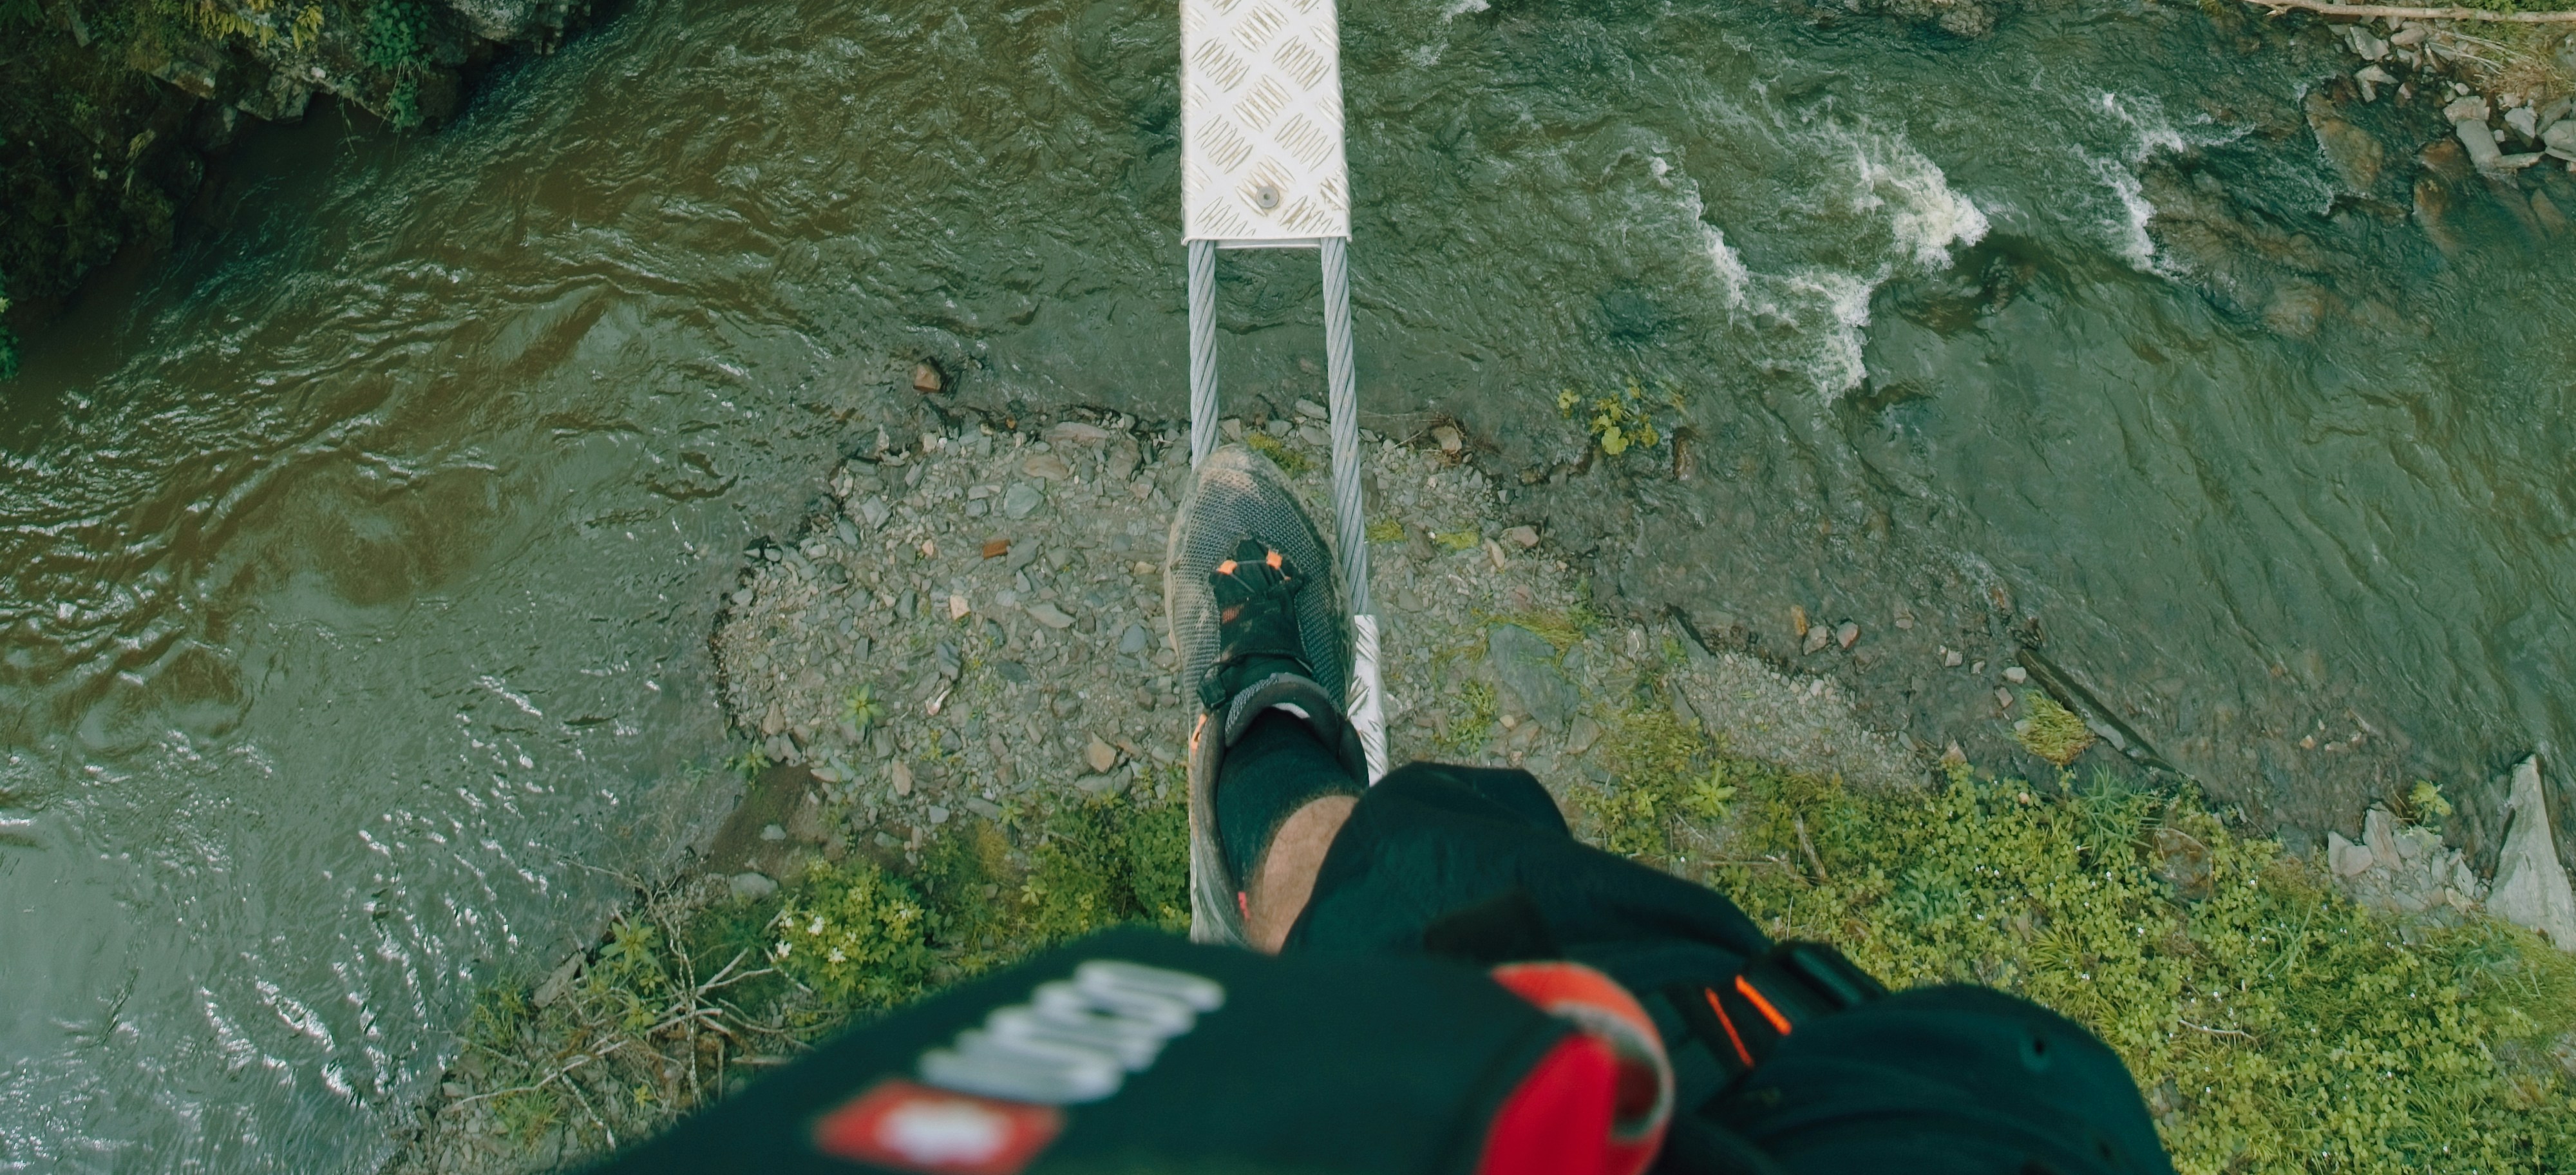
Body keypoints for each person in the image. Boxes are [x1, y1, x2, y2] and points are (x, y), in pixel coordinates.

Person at [622, 447, 2179, 1173]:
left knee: (1405, 887)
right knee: (1462, 840)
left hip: (1626, 1082)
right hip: (1864, 1083)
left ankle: (1265, 747)